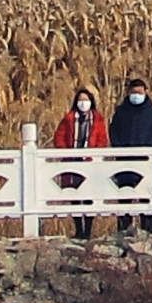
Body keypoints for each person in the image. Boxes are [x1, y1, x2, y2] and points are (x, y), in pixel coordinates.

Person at [105, 77, 152, 233]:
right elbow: (113, 130)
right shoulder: (121, 111)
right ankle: (124, 228)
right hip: (124, 160)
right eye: (133, 92)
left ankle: (149, 228)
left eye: (139, 92)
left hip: (146, 160)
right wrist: (119, 147)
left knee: (147, 194)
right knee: (125, 194)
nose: (136, 95)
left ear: (145, 92)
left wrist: (149, 148)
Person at [49, 85, 103, 240]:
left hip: (90, 163)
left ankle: (88, 230)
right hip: (72, 162)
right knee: (74, 195)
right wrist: (66, 152)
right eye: (80, 100)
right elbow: (59, 137)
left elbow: (102, 139)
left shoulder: (98, 119)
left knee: (89, 196)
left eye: (86, 100)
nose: (83, 103)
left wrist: (95, 154)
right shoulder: (69, 119)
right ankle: (78, 228)